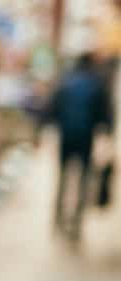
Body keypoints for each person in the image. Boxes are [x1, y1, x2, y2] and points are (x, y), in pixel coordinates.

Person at [45, 51, 114, 238]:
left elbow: (52, 108)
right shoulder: (96, 84)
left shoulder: (65, 81)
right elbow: (105, 115)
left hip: (66, 136)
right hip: (85, 138)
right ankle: (76, 222)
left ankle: (58, 218)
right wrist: (108, 135)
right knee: (83, 179)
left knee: (63, 177)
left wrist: (50, 127)